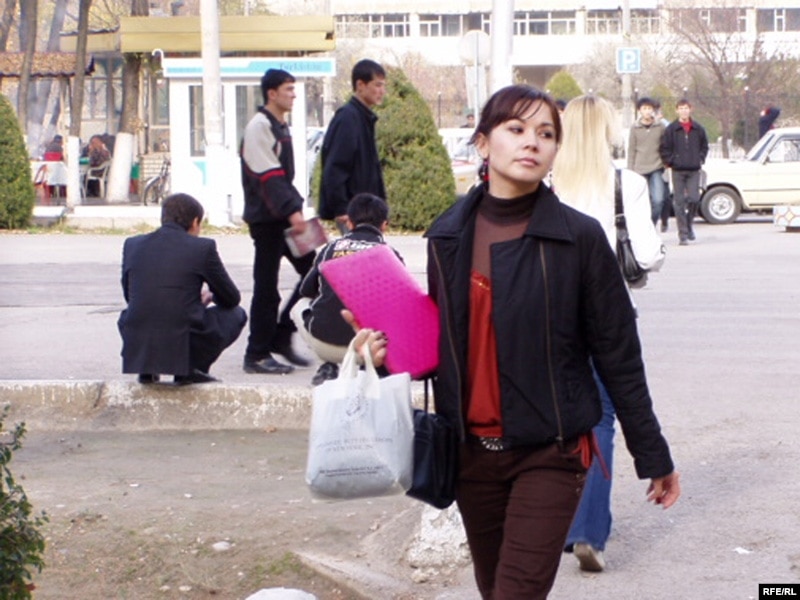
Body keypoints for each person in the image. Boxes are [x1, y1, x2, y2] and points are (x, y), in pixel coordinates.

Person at [350, 84, 680, 599]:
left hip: (551, 454)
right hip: (471, 458)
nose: (532, 142)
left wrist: (652, 453)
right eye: (516, 129)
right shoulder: (447, 235)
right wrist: (380, 355)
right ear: (483, 143)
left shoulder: (579, 238)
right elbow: (447, 347)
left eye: (546, 134)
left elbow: (619, 354)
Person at [552, 95, 666, 573]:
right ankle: (588, 530)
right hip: (608, 313)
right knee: (600, 418)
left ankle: (555, 519)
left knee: (553, 420)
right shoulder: (626, 183)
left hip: (548, 316)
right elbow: (647, 254)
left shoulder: (547, 182)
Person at [118, 193, 247, 385]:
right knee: (236, 314)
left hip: (138, 334)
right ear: (195, 222)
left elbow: (130, 294)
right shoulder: (202, 248)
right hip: (183, 337)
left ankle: (147, 369)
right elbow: (231, 298)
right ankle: (192, 368)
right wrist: (207, 299)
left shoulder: (133, 244)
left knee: (140, 314)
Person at [240, 68, 315, 375]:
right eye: (288, 89)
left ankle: (282, 333)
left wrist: (294, 210)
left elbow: (283, 177)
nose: (293, 95)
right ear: (271, 93)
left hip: (284, 217)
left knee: (316, 272)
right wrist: (294, 211)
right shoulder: (259, 126)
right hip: (268, 220)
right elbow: (269, 176)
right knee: (267, 287)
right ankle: (257, 353)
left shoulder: (279, 125)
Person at [293, 193, 401, 386]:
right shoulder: (390, 254)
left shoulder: (330, 248)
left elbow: (306, 290)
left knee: (300, 305)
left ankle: (327, 365)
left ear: (349, 223)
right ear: (384, 225)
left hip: (326, 344)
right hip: (370, 349)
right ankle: (376, 369)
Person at [319, 59, 387, 234]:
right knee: (358, 250)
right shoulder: (348, 118)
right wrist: (341, 207)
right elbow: (335, 167)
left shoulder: (363, 118)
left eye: (383, 86)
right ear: (360, 85)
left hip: (365, 212)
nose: (382, 91)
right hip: (353, 213)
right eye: (377, 85)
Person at [659, 98, 708, 245]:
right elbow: (664, 148)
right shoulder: (671, 129)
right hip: (677, 170)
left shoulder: (698, 129)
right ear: (677, 111)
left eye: (686, 108)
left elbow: (704, 146)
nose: (684, 111)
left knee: (694, 199)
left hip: (694, 169)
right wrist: (671, 161)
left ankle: (688, 224)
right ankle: (683, 234)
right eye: (681, 108)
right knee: (679, 202)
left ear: (690, 109)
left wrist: (700, 159)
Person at [628, 97, 667, 229]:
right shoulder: (635, 128)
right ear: (639, 110)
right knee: (640, 201)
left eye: (649, 108)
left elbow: (666, 145)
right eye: (644, 108)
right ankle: (641, 227)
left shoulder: (660, 126)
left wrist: (666, 163)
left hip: (656, 167)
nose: (647, 111)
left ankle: (651, 225)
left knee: (658, 200)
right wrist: (630, 170)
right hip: (639, 169)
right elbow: (631, 150)